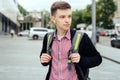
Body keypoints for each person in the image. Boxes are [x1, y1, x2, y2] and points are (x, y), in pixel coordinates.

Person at [40, 1, 102, 80]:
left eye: (69, 16)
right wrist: (43, 60)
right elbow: (44, 60)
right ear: (53, 19)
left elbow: (98, 59)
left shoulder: (81, 37)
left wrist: (81, 59)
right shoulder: (48, 37)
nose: (67, 20)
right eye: (62, 17)